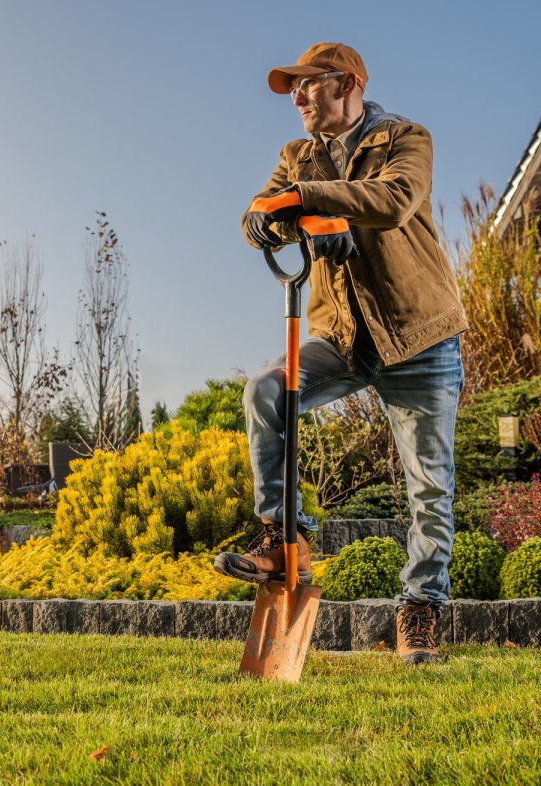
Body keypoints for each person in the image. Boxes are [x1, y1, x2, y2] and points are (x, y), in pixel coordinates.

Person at [212, 42, 468, 665]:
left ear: (347, 82)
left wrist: (308, 202)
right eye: (292, 89)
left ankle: (421, 611)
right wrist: (262, 221)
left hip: (419, 336)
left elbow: (393, 201)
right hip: (341, 335)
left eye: (308, 85)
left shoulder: (406, 138)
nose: (297, 99)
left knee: (428, 487)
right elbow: (265, 203)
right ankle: (286, 537)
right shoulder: (297, 156)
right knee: (265, 392)